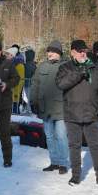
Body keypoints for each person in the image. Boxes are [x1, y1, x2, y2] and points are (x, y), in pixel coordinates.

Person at [56, 39, 98, 188]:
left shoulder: (95, 68)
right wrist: (79, 73)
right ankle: (75, 176)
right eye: (80, 51)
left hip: (91, 114)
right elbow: (61, 84)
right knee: (74, 146)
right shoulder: (65, 67)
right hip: (72, 114)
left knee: (95, 146)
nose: (83, 54)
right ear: (72, 52)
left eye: (85, 51)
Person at [30, 40, 69, 174]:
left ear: (59, 53)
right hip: (45, 108)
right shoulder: (42, 66)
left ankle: (63, 163)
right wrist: (33, 102)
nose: (49, 53)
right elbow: (35, 85)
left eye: (52, 51)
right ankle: (54, 162)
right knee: (49, 137)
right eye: (48, 51)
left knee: (61, 136)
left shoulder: (66, 66)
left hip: (61, 108)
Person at [5, 46, 25, 113]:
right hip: (12, 88)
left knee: (15, 100)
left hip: (15, 87)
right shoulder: (13, 63)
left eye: (8, 54)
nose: (6, 56)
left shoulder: (18, 64)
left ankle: (16, 112)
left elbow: (18, 77)